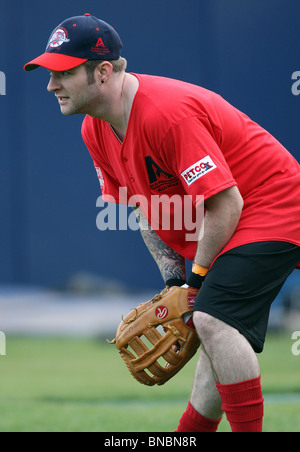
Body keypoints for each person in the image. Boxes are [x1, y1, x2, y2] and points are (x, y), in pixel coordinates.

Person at [24, 13, 300, 432]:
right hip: (235, 218)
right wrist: (175, 284)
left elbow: (225, 203)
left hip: (274, 203)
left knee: (211, 319)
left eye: (63, 72)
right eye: (49, 73)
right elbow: (143, 208)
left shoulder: (165, 114)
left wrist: (198, 281)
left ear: (102, 72)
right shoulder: (94, 130)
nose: (51, 85)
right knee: (212, 325)